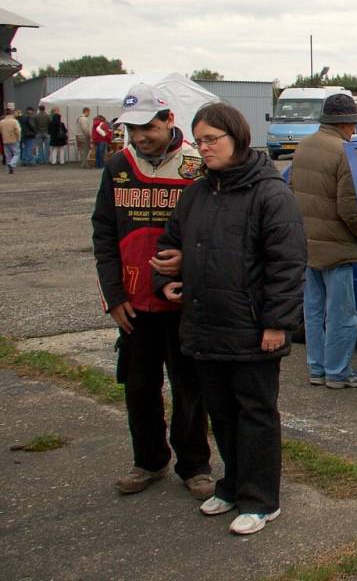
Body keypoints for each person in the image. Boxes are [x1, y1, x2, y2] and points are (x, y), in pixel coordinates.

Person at [154, 102, 306, 535]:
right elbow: (170, 244)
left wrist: (278, 323)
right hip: (205, 326)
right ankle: (232, 484)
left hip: (253, 329)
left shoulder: (270, 193)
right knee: (220, 412)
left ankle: (261, 500)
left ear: (237, 138)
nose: (204, 149)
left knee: (255, 414)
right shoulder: (197, 194)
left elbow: (287, 263)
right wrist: (163, 280)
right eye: (199, 141)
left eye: (212, 140)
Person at [91, 83, 213, 500]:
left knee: (189, 390)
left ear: (168, 121)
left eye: (148, 127)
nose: (140, 136)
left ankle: (194, 465)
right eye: (132, 128)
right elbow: (103, 234)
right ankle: (148, 461)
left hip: (184, 302)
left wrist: (188, 264)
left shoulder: (198, 167)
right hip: (133, 303)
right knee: (139, 387)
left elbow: (216, 234)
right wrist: (113, 296)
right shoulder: (116, 165)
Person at [290, 93, 357, 389]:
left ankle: (317, 369)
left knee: (313, 311)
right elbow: (349, 208)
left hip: (308, 244)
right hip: (337, 248)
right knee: (341, 315)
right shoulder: (343, 152)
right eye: (353, 124)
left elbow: (292, 191)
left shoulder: (303, 148)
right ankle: (338, 372)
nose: (354, 129)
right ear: (346, 123)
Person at [0, 108, 21, 174]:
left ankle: (9, 168)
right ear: (11, 113)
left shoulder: (1, 122)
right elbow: (18, 131)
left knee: (7, 155)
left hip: (5, 139)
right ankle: (12, 164)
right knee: (17, 153)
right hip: (14, 139)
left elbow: (0, 131)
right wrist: (19, 138)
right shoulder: (14, 121)